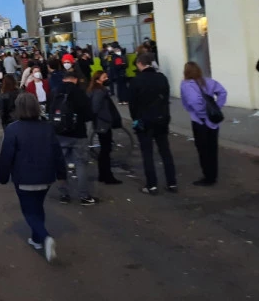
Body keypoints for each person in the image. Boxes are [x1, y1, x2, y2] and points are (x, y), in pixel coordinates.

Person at [0, 93, 65, 263]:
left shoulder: (13, 129)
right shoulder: (47, 127)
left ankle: (45, 237)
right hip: (46, 176)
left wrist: (3, 176)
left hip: (24, 178)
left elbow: (6, 156)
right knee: (37, 207)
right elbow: (57, 153)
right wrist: (62, 174)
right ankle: (36, 239)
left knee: (28, 211)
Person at [129, 52, 177, 195]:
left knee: (147, 153)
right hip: (162, 119)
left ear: (140, 64)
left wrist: (135, 119)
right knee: (165, 151)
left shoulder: (136, 80)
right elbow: (166, 98)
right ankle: (172, 182)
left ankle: (152, 185)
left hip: (144, 121)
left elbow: (133, 104)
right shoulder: (161, 78)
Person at [50, 70, 98, 205]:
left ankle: (64, 194)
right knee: (80, 164)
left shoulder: (54, 92)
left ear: (64, 79)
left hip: (59, 133)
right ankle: (84, 196)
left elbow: (50, 112)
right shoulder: (80, 93)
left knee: (61, 164)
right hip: (78, 133)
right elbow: (89, 115)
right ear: (75, 80)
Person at [181, 61, 228, 186]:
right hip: (213, 121)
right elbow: (223, 92)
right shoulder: (208, 81)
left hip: (199, 121)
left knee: (203, 150)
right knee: (212, 149)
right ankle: (213, 175)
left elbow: (193, 101)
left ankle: (208, 177)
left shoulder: (186, 84)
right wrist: (216, 107)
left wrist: (201, 113)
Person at [88, 71, 122, 185]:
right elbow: (95, 108)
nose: (107, 78)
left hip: (101, 123)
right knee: (105, 150)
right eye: (104, 77)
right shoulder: (99, 92)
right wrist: (107, 118)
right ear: (98, 79)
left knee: (104, 150)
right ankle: (107, 176)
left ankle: (103, 175)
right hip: (103, 124)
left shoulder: (96, 90)